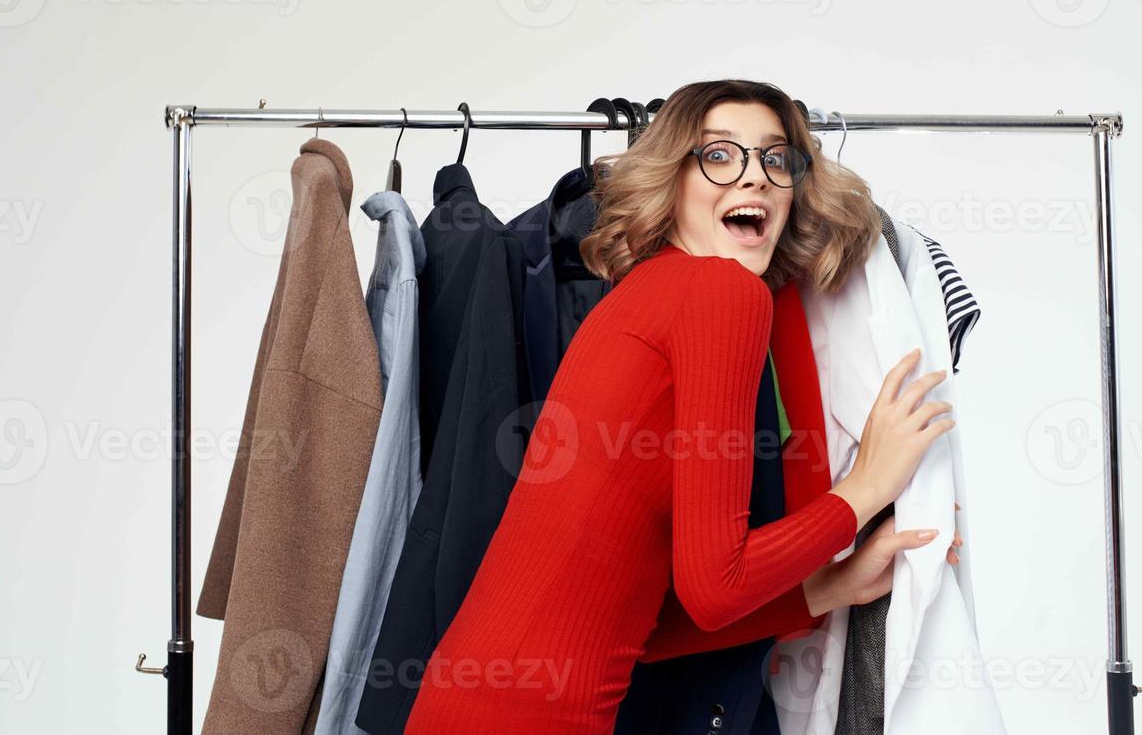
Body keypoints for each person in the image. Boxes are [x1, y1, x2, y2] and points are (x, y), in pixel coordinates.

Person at [402, 79, 957, 734]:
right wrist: (866, 489)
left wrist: (826, 589)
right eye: (721, 155)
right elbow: (716, 587)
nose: (754, 179)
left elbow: (633, 627)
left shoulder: (644, 295)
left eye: (776, 159)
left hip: (465, 702)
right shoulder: (721, 294)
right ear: (675, 178)